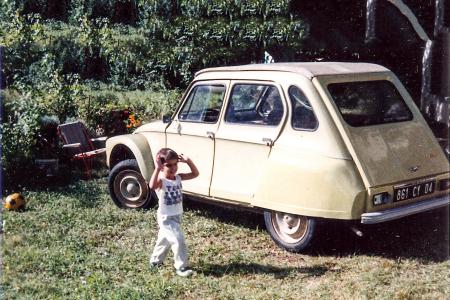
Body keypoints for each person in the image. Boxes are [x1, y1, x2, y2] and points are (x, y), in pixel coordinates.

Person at [148, 148, 199, 277]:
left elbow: (195, 174)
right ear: (161, 165)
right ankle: (181, 267)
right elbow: (152, 186)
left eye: (175, 164)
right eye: (168, 165)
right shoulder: (161, 180)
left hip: (177, 215)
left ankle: (155, 261)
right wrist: (157, 169)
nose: (173, 168)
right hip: (166, 217)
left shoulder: (178, 178)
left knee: (164, 239)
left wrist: (189, 162)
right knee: (178, 239)